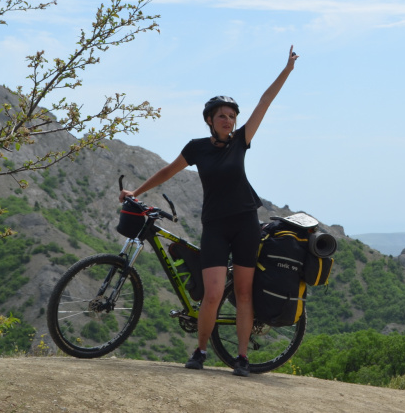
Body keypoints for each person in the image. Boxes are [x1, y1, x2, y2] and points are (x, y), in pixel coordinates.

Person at [120, 46, 299, 376]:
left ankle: (242, 358)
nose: (228, 120)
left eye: (231, 116)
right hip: (215, 225)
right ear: (209, 120)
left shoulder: (241, 141)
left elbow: (264, 102)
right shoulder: (197, 148)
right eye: (222, 116)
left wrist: (286, 71)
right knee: (213, 294)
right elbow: (168, 171)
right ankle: (200, 351)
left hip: (245, 223)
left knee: (243, 294)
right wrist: (136, 192)